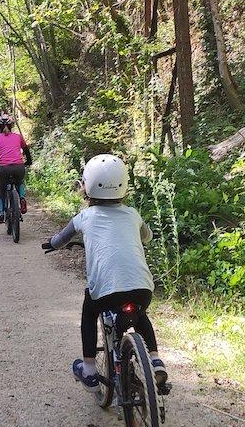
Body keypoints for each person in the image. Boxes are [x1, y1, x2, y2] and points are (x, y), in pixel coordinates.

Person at [41, 154, 168, 393]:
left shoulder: (84, 217)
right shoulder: (132, 214)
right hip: (142, 288)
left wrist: (51, 244)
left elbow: (60, 240)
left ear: (87, 185)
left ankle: (89, 369)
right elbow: (147, 237)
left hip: (106, 293)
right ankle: (155, 359)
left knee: (89, 311)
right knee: (139, 315)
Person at [0, 115, 31, 222]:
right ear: (11, 126)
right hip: (19, 167)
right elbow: (26, 150)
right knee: (19, 182)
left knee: (1, 189)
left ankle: (0, 213)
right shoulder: (18, 137)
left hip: (3, 168)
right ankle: (22, 198)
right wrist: (29, 162)